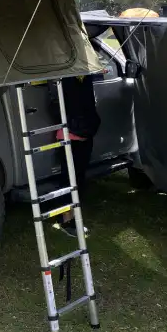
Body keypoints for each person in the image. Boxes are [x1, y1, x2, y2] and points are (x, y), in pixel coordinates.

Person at [50, 75, 100, 237]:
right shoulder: (64, 79)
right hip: (70, 135)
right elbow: (58, 106)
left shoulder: (85, 79)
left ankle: (68, 216)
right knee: (69, 180)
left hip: (84, 133)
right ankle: (66, 220)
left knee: (77, 178)